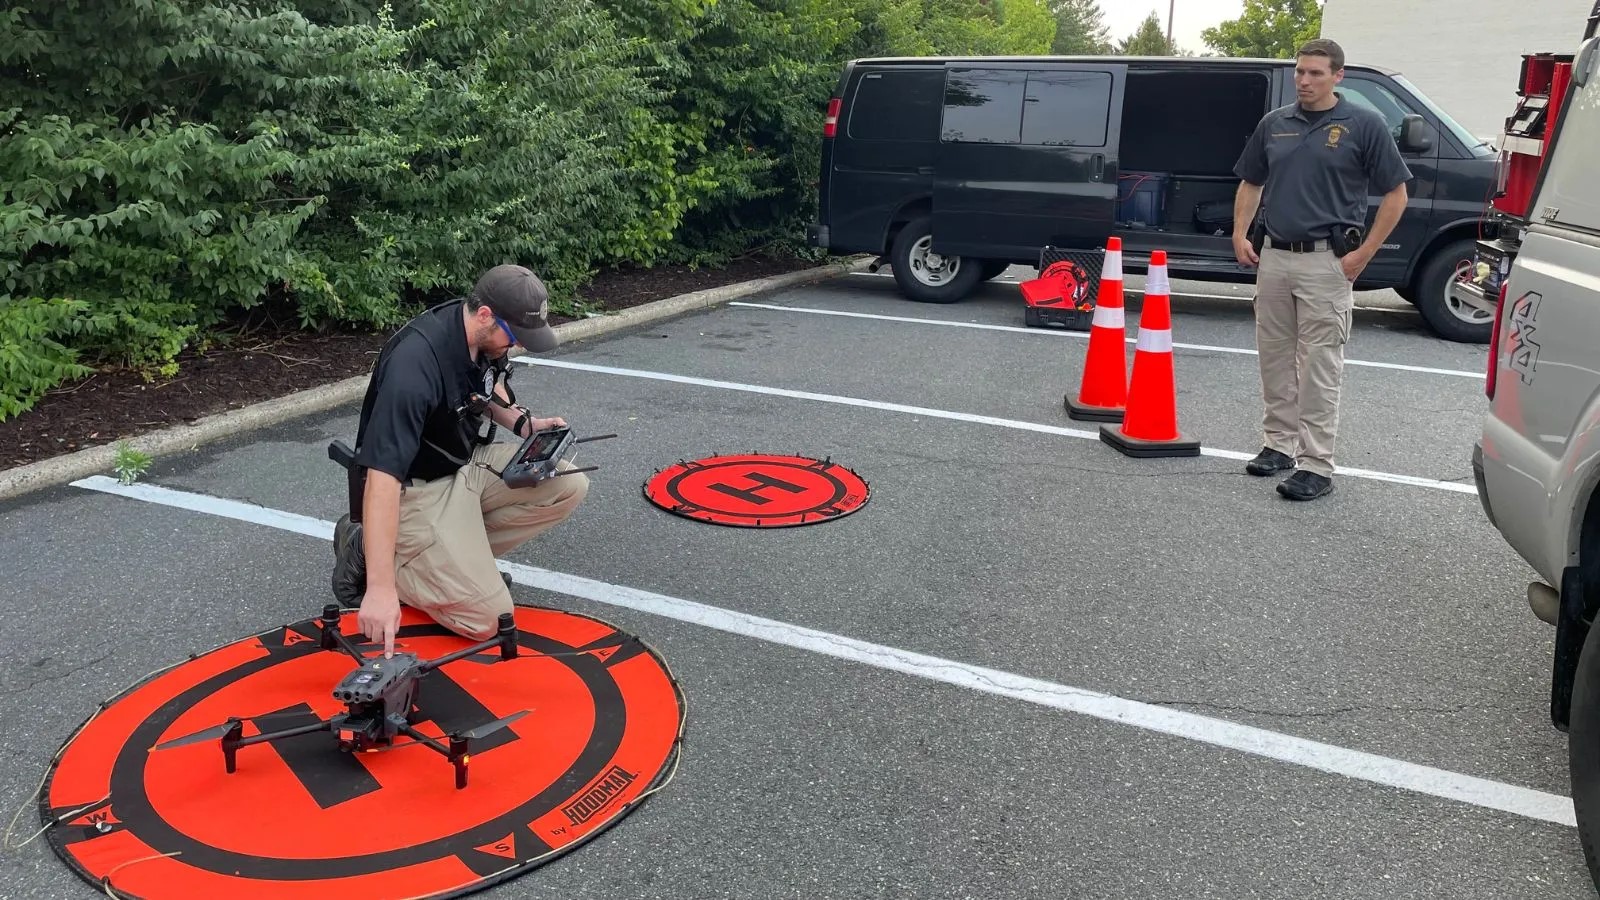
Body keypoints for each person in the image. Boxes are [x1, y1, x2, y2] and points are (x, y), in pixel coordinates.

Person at [330, 264, 589, 655]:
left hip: (465, 466)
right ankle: (371, 548)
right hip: (416, 490)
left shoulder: (481, 335)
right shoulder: (414, 366)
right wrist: (381, 591)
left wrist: (524, 424)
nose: (516, 346)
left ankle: (451, 567)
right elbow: (381, 478)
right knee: (489, 619)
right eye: (514, 336)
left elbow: (487, 386)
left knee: (567, 484)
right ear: (485, 314)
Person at [1230, 38, 1412, 501]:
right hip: (1274, 256)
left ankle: (1317, 465)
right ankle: (1278, 446)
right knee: (1274, 358)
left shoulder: (1364, 125)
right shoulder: (1276, 124)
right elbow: (1252, 182)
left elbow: (1396, 196)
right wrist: (1240, 233)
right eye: (1300, 72)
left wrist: (1365, 253)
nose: (1305, 81)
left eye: (1315, 73)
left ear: (1338, 76)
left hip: (1326, 262)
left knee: (1319, 366)